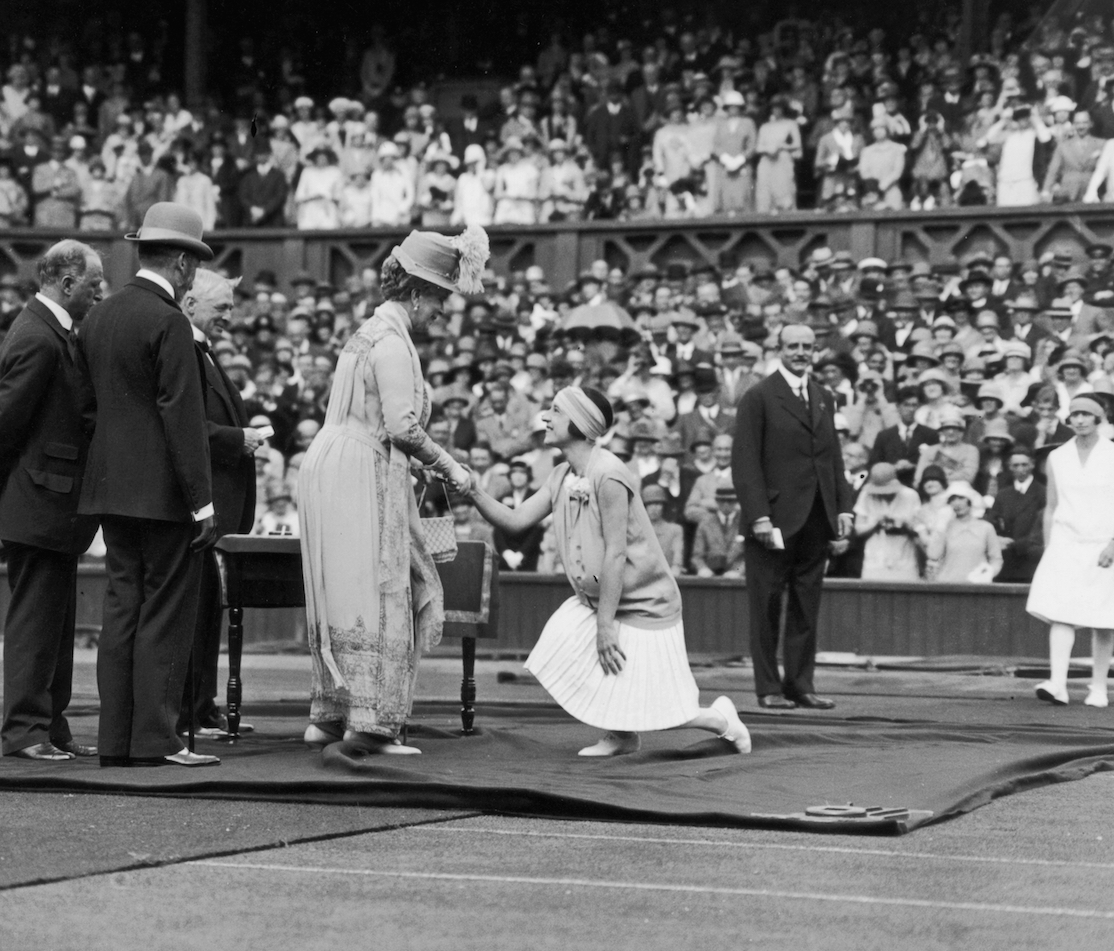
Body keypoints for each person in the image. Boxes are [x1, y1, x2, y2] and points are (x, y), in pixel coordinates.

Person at [461, 385, 751, 757]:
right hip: (601, 596)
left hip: (645, 601)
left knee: (658, 707)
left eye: (555, 411)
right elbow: (517, 520)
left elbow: (615, 554)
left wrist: (605, 626)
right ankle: (622, 735)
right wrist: (473, 491)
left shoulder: (610, 474)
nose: (545, 417)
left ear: (580, 424)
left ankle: (722, 721)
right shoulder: (562, 473)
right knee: (566, 648)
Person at [298, 228, 482, 755]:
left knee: (345, 590)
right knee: (384, 589)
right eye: (441, 299)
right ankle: (372, 725)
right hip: (359, 470)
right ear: (418, 293)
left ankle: (331, 716)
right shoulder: (393, 343)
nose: (442, 312)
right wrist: (450, 467)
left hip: (332, 464)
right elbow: (402, 426)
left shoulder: (366, 333)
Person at [78, 203, 219, 768]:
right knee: (163, 614)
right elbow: (181, 417)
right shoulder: (169, 322)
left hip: (110, 490)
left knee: (122, 613)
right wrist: (202, 502)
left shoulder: (98, 316)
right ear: (183, 264)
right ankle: (158, 741)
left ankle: (116, 741)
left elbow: (87, 410)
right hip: (162, 496)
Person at [0, 240, 104, 761]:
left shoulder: (55, 331)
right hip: (35, 502)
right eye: (95, 285)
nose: (100, 294)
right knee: (36, 624)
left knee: (54, 624)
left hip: (51, 504)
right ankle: (25, 732)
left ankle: (50, 725)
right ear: (68, 281)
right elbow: (3, 426)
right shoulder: (38, 335)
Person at [731, 323, 855, 710]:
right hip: (773, 522)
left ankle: (800, 684)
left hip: (817, 518)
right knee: (766, 607)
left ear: (815, 350)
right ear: (779, 349)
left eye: (807, 346)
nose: (801, 352)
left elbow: (833, 458)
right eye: (793, 346)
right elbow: (745, 462)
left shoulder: (822, 396)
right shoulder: (758, 396)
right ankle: (768, 689)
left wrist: (844, 507)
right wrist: (759, 518)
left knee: (806, 605)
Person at [179, 268, 262, 739]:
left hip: (220, 508)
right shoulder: (185, 352)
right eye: (222, 307)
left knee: (210, 610)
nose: (231, 317)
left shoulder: (205, 353)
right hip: (201, 507)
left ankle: (203, 707)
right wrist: (239, 439)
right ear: (190, 304)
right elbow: (188, 427)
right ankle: (190, 710)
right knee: (196, 612)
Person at [1026, 396, 1114, 708]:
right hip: (1066, 543)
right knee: (1060, 613)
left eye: (1086, 415)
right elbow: (1051, 507)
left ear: (1098, 420)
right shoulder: (1057, 456)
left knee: (1102, 618)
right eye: (1075, 415)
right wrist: (1050, 547)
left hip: (1106, 543)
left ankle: (1099, 688)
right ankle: (1057, 684)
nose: (1079, 420)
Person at [853, 463, 923, 581]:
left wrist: (904, 524)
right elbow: (858, 530)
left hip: (904, 558)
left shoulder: (910, 495)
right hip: (875, 559)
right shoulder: (866, 495)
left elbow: (919, 529)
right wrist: (875, 523)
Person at [926, 482, 1001, 582]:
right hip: (948, 584)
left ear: (969, 500)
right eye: (952, 499)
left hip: (977, 586)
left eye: (961, 498)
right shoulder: (945, 527)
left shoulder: (986, 527)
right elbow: (933, 554)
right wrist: (941, 526)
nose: (957, 503)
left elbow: (996, 559)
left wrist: (989, 573)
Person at [992, 447, 1047, 583]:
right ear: (1009, 467)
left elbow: (1043, 528)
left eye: (1024, 465)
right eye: (1016, 465)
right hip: (1006, 559)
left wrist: (1016, 544)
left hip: (1031, 558)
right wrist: (997, 538)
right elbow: (993, 520)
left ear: (1032, 465)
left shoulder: (1043, 493)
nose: (1021, 469)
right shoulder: (1003, 494)